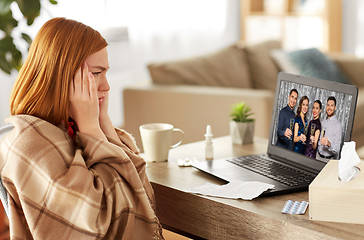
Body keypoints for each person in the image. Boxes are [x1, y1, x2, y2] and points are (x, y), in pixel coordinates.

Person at [0, 18, 164, 239]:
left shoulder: (73, 129)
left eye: (105, 73)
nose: (106, 86)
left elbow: (139, 188)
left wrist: (102, 123)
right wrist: (90, 127)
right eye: (96, 73)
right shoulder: (29, 144)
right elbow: (93, 224)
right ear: (61, 76)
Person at [317, 96, 342, 162]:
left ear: (335, 108)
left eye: (332, 105)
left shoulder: (338, 125)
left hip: (327, 161)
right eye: (328, 105)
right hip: (317, 157)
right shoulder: (323, 122)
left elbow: (337, 149)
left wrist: (329, 144)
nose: (329, 108)